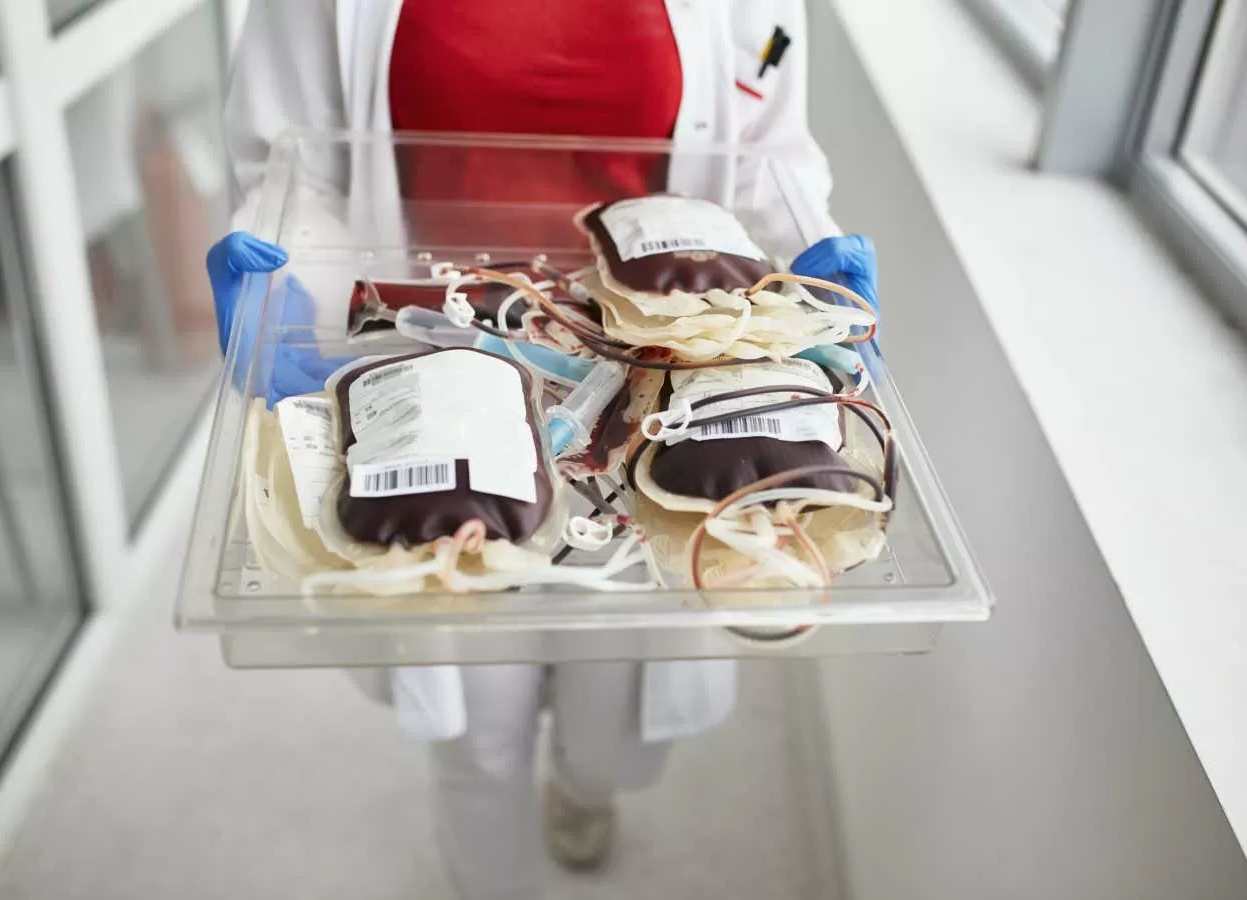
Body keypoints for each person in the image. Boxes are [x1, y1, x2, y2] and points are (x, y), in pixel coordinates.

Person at [206, 3, 878, 898]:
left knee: (617, 715)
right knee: (476, 728)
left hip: (660, 374)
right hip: (435, 366)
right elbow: (294, 164)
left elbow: (763, 160)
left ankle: (585, 785)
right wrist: (286, 283)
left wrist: (807, 268)